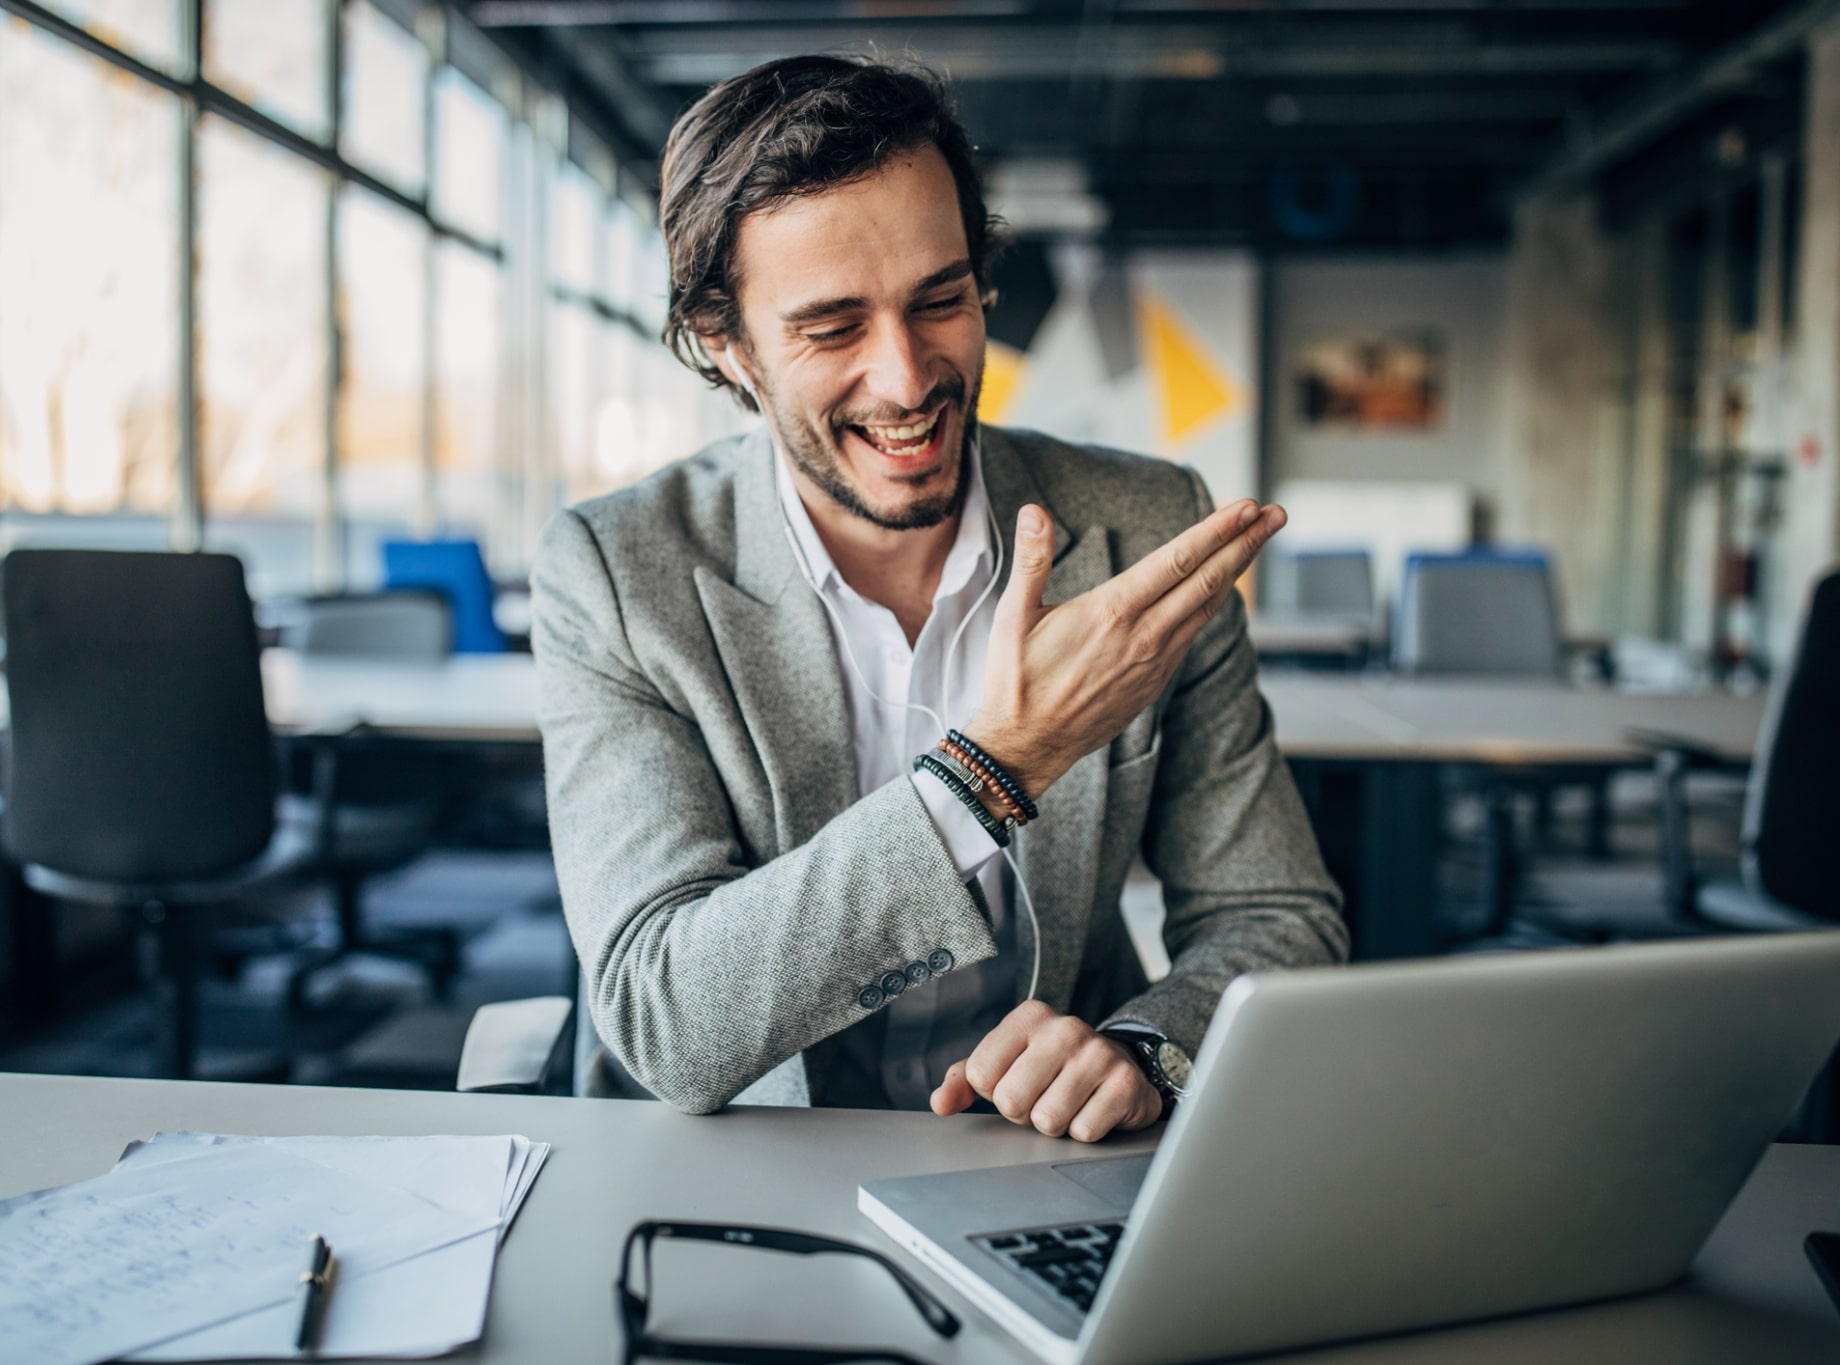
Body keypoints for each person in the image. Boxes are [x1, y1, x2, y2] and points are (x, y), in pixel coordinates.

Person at [531, 54, 1346, 1142]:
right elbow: (663, 1017)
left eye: (940, 300)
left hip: (1046, 1158)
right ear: (725, 346)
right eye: (830, 328)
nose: (908, 378)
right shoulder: (615, 569)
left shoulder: (1145, 527)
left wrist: (1144, 1053)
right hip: (731, 1163)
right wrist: (989, 772)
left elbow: (1274, 917)